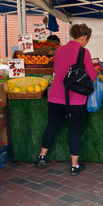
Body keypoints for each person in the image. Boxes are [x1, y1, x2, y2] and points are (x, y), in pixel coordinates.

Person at [36, 23, 97, 176]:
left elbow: (57, 70)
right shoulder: (84, 52)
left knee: (52, 126)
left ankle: (42, 156)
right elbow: (93, 76)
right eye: (87, 39)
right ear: (84, 37)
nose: (86, 42)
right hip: (75, 100)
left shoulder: (59, 50)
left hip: (55, 96)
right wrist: (94, 69)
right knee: (74, 131)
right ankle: (74, 166)